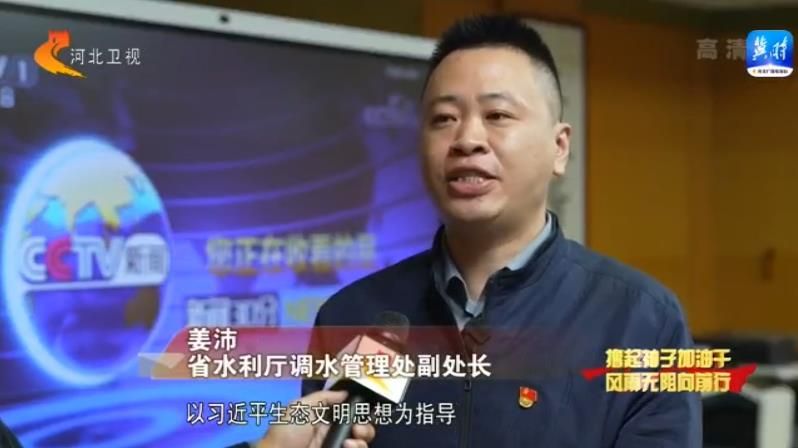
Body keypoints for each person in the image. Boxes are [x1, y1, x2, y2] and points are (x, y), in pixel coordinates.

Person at [302, 13, 702, 448]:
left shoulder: (642, 322)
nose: (467, 139)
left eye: (497, 114)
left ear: (559, 148)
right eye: (444, 118)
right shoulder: (351, 317)